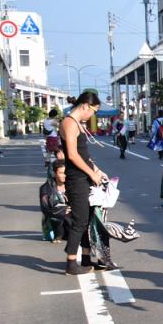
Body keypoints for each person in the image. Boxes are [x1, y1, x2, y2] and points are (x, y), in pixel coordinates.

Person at [59, 92, 106, 275]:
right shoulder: (69, 123)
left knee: (87, 219)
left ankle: (86, 257)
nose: (93, 115)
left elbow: (84, 154)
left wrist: (97, 170)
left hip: (84, 177)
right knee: (80, 221)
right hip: (76, 179)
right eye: (93, 111)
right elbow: (72, 155)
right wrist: (91, 173)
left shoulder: (78, 123)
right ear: (85, 106)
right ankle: (71, 263)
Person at [40, 160, 70, 242]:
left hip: (70, 218)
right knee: (62, 214)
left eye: (66, 172)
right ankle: (58, 235)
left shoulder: (73, 185)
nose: (64, 175)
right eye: (61, 173)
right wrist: (62, 210)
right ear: (54, 173)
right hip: (54, 219)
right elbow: (45, 209)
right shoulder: (46, 188)